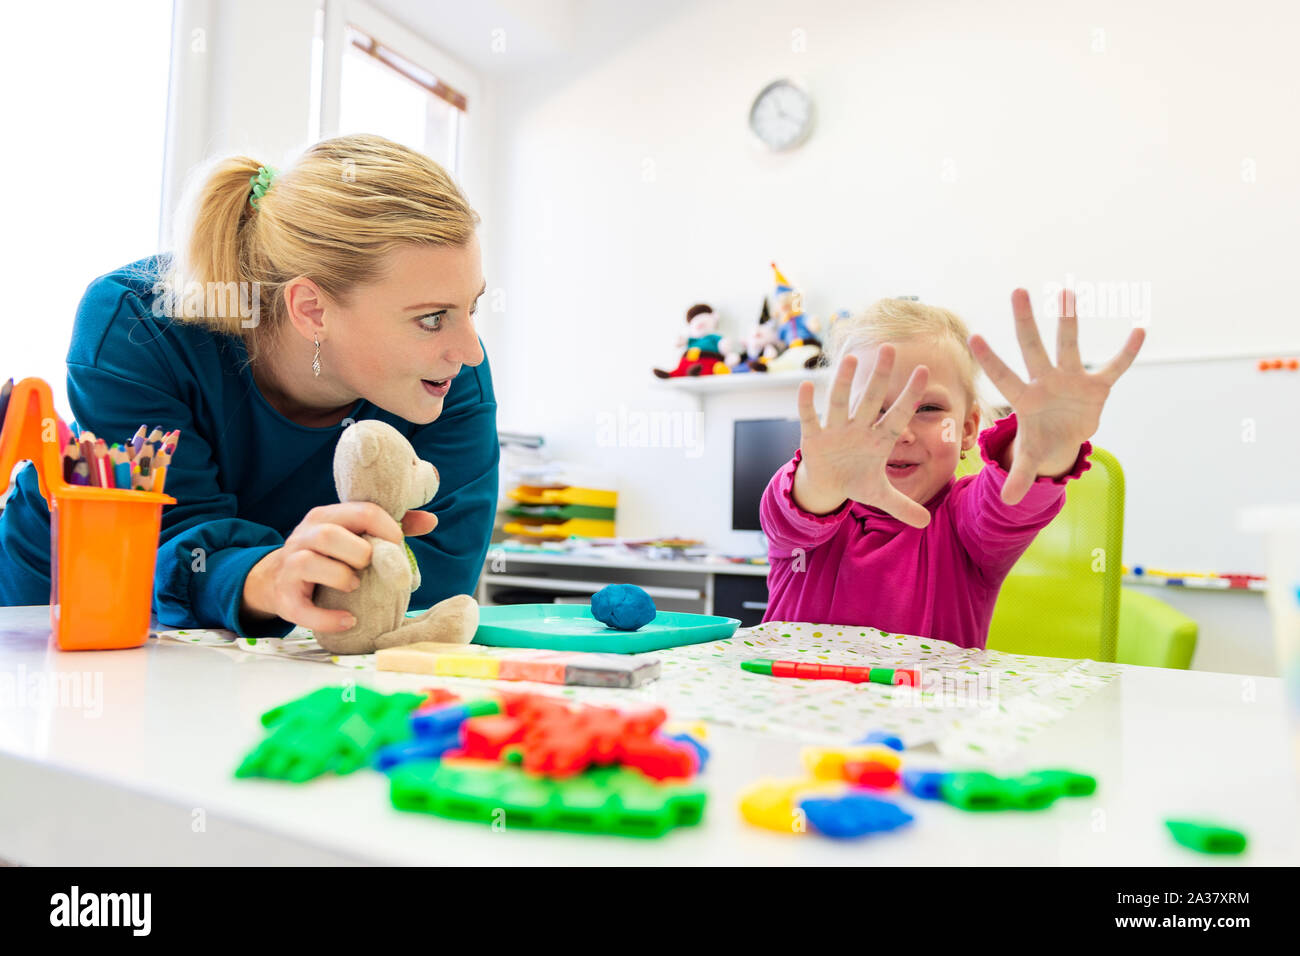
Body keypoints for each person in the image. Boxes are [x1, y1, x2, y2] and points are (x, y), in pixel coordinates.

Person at [0, 134, 498, 638]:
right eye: (433, 317)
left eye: (471, 307)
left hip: (270, 639)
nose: (471, 352)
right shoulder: (137, 325)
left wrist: (318, 588)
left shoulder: (449, 377)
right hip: (66, 602)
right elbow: (169, 542)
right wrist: (273, 576)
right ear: (312, 310)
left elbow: (429, 591)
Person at [760, 290, 1144, 648]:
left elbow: (1010, 501)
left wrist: (1043, 445)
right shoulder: (809, 514)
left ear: (967, 429)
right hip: (794, 717)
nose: (901, 432)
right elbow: (793, 514)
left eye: (928, 409)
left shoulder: (966, 523)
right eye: (872, 408)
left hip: (929, 718)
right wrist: (822, 479)